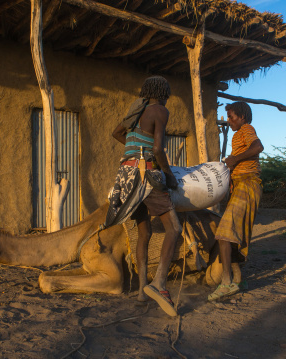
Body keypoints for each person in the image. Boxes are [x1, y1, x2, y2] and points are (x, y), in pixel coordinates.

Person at [110, 76, 182, 317]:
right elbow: (158, 149)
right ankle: (159, 284)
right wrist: (169, 174)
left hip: (126, 176)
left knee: (144, 232)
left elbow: (116, 133)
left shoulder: (136, 112)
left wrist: (135, 149)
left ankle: (142, 291)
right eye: (167, 93)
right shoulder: (159, 110)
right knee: (174, 228)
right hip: (145, 175)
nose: (167, 97)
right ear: (162, 93)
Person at [208, 101, 264, 301]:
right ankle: (238, 279)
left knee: (224, 234)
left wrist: (234, 159)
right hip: (241, 186)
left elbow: (258, 146)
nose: (229, 120)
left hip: (248, 184)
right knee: (235, 235)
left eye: (231, 117)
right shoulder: (236, 135)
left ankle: (226, 283)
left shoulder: (247, 129)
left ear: (242, 117)